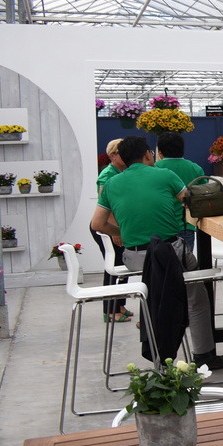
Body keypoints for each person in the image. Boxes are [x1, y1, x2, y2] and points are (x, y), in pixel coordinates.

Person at [91, 136, 223, 370]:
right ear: (148, 154)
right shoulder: (165, 175)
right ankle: (204, 355)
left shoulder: (111, 183)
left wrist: (122, 233)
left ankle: (160, 348)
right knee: (197, 297)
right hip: (169, 254)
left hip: (135, 259)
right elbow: (191, 202)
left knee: (162, 286)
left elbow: (97, 224)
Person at [92, 137, 131, 322]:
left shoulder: (122, 172)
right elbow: (105, 206)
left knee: (123, 265)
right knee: (113, 267)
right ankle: (109, 310)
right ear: (113, 155)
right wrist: (114, 231)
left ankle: (120, 305)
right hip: (109, 227)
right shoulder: (107, 175)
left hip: (119, 226)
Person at [154, 132, 205, 248]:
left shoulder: (154, 168)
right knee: (185, 258)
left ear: (160, 152)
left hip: (161, 226)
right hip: (186, 225)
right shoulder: (196, 168)